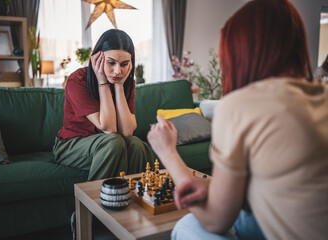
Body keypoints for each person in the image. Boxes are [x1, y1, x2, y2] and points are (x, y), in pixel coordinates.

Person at [147, 0, 328, 239]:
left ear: (239, 54)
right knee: (244, 216)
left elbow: (215, 220)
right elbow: (287, 183)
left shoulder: (240, 106)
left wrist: (168, 152)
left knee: (186, 226)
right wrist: (212, 187)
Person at [53, 29, 154, 181]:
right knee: (113, 142)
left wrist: (119, 87)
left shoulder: (126, 82)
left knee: (137, 145)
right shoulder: (77, 80)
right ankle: (95, 204)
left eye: (124, 64)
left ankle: (139, 200)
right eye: (111, 63)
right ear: (97, 58)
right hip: (72, 144)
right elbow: (109, 128)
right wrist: (102, 81)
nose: (117, 71)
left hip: (108, 143)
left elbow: (127, 132)